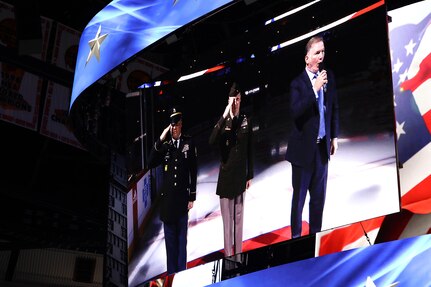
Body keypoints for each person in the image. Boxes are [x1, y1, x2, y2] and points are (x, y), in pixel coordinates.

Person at [285, 35, 339, 239]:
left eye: (323, 51)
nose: (321, 56)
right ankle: (296, 238)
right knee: (298, 201)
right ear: (307, 58)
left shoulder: (329, 77)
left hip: (321, 151)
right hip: (302, 153)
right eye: (317, 53)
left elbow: (334, 107)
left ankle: (315, 237)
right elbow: (295, 113)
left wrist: (334, 136)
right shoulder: (297, 84)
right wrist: (314, 90)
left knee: (318, 200)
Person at [148, 107, 198, 275]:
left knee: (181, 243)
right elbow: (150, 162)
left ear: (181, 125)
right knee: (170, 247)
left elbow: (193, 170)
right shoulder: (166, 147)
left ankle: (182, 277)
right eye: (172, 126)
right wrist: (161, 138)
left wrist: (192, 196)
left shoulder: (188, 144)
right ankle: (172, 278)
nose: (174, 128)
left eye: (176, 125)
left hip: (182, 203)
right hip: (168, 206)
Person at [209, 83, 254, 257]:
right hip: (226, 179)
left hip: (240, 177)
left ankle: (239, 255)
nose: (236, 102)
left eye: (238, 99)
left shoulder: (246, 120)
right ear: (228, 101)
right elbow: (211, 141)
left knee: (239, 220)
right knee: (227, 223)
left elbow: (250, 149)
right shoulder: (223, 123)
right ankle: (229, 257)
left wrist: (250, 174)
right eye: (233, 100)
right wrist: (224, 114)